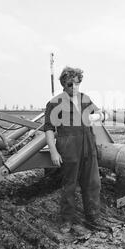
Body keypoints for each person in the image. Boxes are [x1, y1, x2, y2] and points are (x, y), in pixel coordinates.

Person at [44, 66, 106, 233]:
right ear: (64, 84)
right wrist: (53, 151)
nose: (74, 87)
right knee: (69, 186)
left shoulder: (86, 99)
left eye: (77, 83)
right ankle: (67, 220)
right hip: (69, 149)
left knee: (93, 184)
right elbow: (49, 129)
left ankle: (93, 218)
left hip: (89, 148)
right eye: (71, 84)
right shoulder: (54, 103)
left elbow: (99, 113)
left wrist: (99, 115)